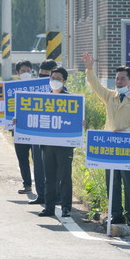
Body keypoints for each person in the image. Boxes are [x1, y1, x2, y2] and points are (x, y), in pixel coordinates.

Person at [81, 52, 130, 227]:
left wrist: (125, 132)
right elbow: (95, 86)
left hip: (128, 147)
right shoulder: (110, 96)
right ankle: (115, 214)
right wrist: (89, 69)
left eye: (122, 79)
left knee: (129, 182)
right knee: (112, 182)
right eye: (117, 79)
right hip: (110, 146)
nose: (118, 82)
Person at [38, 67, 75, 218]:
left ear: (64, 81)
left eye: (58, 79)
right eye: (53, 78)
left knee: (65, 177)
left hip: (64, 146)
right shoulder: (42, 100)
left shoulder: (72, 100)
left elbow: (77, 119)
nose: (55, 81)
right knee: (49, 178)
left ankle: (66, 207)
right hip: (47, 146)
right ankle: (49, 207)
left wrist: (81, 123)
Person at [12, 60, 45, 205]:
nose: (26, 73)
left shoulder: (38, 87)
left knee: (38, 159)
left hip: (35, 130)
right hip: (18, 129)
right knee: (22, 157)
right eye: (22, 71)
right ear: (17, 73)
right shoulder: (11, 88)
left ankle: (41, 187)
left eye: (28, 70)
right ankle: (27, 184)